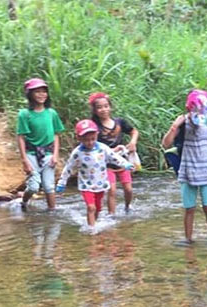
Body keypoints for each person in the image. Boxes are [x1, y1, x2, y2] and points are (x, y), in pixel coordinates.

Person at [161, 90, 207, 243]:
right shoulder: (182, 124)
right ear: (188, 108)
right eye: (196, 109)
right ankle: (188, 239)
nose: (199, 113)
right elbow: (166, 143)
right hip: (188, 170)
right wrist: (174, 126)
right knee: (189, 208)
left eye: (202, 109)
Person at [56, 119, 135, 227]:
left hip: (100, 184)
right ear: (79, 138)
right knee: (91, 207)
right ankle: (92, 231)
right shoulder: (77, 153)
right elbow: (69, 168)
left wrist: (125, 164)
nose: (90, 142)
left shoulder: (102, 148)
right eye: (86, 140)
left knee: (98, 208)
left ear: (97, 135)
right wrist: (62, 182)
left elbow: (114, 157)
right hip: (86, 185)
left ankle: (94, 224)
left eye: (93, 139)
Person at [16, 78, 64, 211]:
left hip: (48, 152)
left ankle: (52, 212)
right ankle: (24, 201)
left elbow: (56, 134)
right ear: (30, 94)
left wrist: (55, 155)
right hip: (31, 153)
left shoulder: (51, 113)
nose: (41, 94)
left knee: (49, 186)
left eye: (44, 91)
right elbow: (20, 137)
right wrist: (24, 159)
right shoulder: (24, 114)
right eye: (37, 92)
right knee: (33, 186)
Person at [89, 92, 139, 214]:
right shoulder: (94, 127)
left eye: (106, 106)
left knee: (128, 189)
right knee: (111, 191)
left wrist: (133, 142)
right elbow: (91, 146)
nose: (103, 109)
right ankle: (112, 215)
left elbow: (134, 131)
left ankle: (128, 207)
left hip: (122, 162)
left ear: (110, 107)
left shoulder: (120, 122)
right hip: (105, 164)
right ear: (95, 110)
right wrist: (111, 151)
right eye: (99, 107)